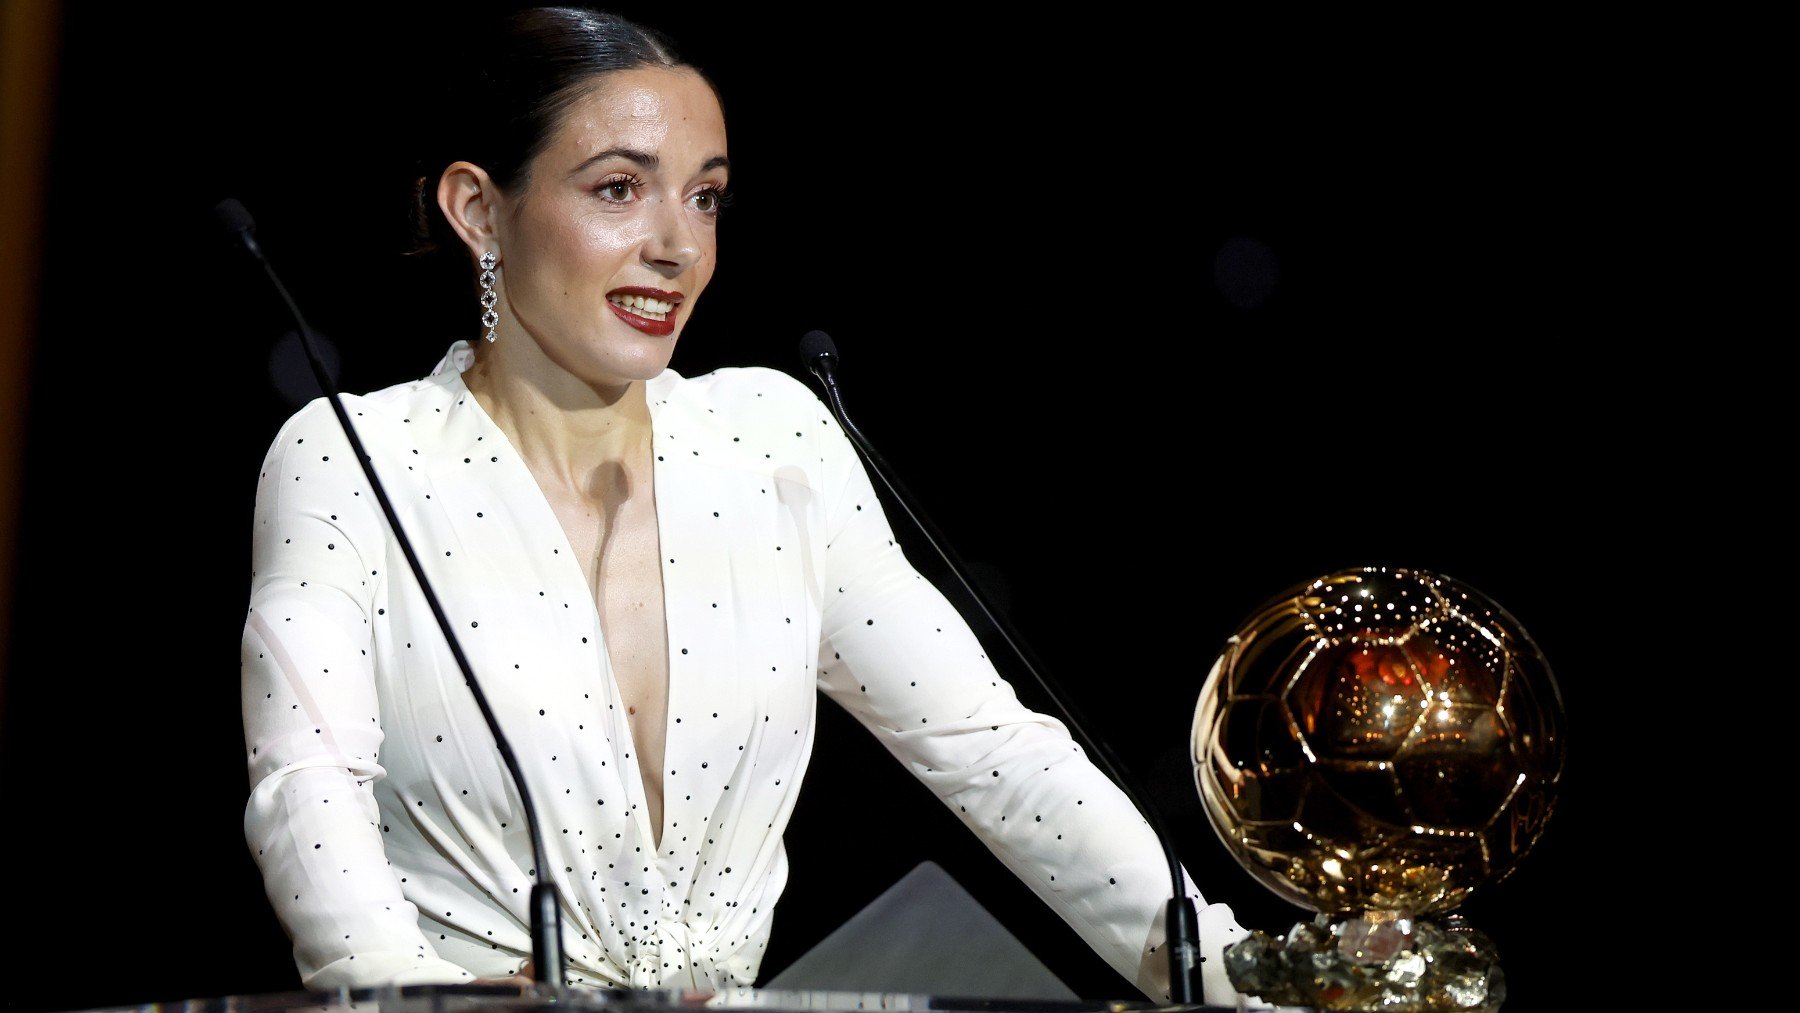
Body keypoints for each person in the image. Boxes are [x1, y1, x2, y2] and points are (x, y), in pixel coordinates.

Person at [239, 5, 1252, 1005]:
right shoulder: (353, 457)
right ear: (479, 210)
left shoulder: (773, 441)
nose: (676, 245)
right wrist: (404, 1001)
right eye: (620, 189)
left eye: (706, 198)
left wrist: (1233, 978)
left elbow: (997, 756)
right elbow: (308, 783)